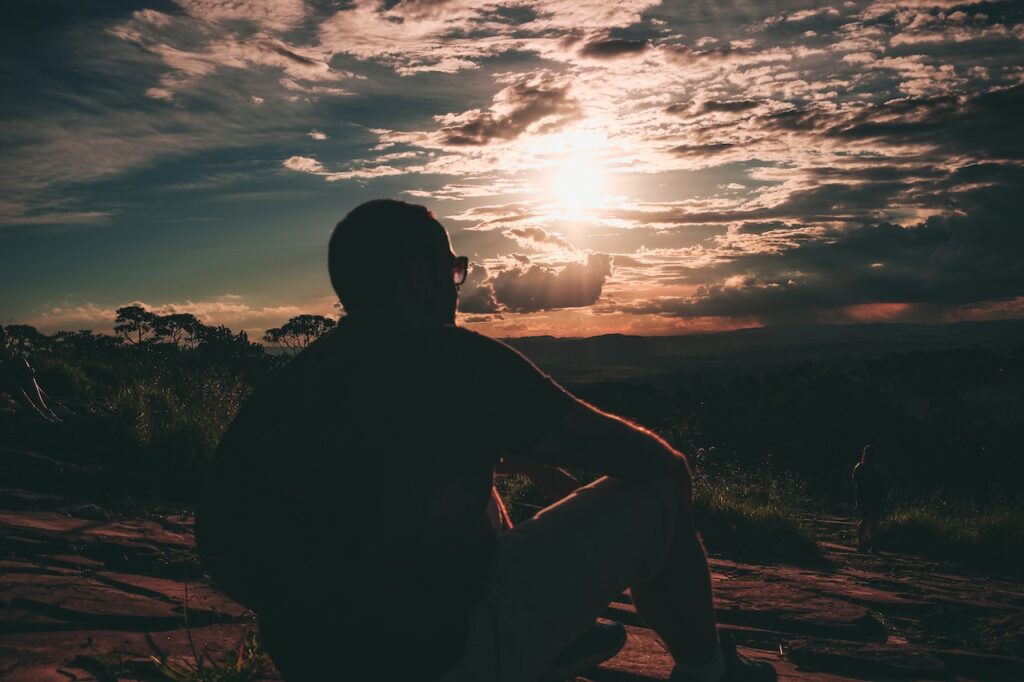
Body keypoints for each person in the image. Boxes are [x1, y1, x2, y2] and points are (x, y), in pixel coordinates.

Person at [196, 199, 776, 682]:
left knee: (463, 485)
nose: (458, 287)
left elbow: (220, 540)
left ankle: (558, 640)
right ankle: (709, 670)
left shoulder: (296, 381)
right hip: (444, 656)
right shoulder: (456, 359)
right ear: (420, 279)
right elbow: (655, 462)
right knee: (659, 494)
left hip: (316, 660)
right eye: (454, 271)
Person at [853, 445, 886, 553]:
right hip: (873, 496)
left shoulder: (859, 467)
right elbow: (883, 482)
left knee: (866, 519)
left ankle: (862, 545)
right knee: (873, 522)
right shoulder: (878, 467)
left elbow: (855, 481)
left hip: (865, 496)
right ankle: (873, 547)